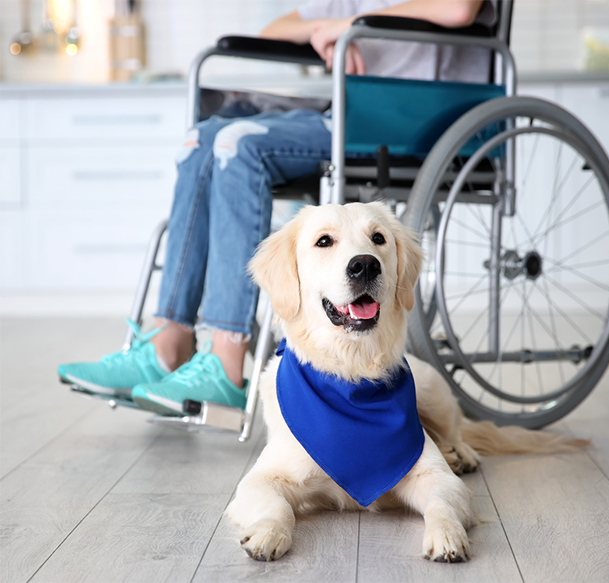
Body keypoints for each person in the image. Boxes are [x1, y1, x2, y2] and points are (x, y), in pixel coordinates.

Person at [57, 0, 496, 415]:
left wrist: (350, 25)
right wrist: (321, 30)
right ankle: (167, 341)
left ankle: (226, 360)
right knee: (203, 140)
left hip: (415, 119)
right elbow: (275, 31)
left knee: (236, 144)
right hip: (351, 114)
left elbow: (458, 8)